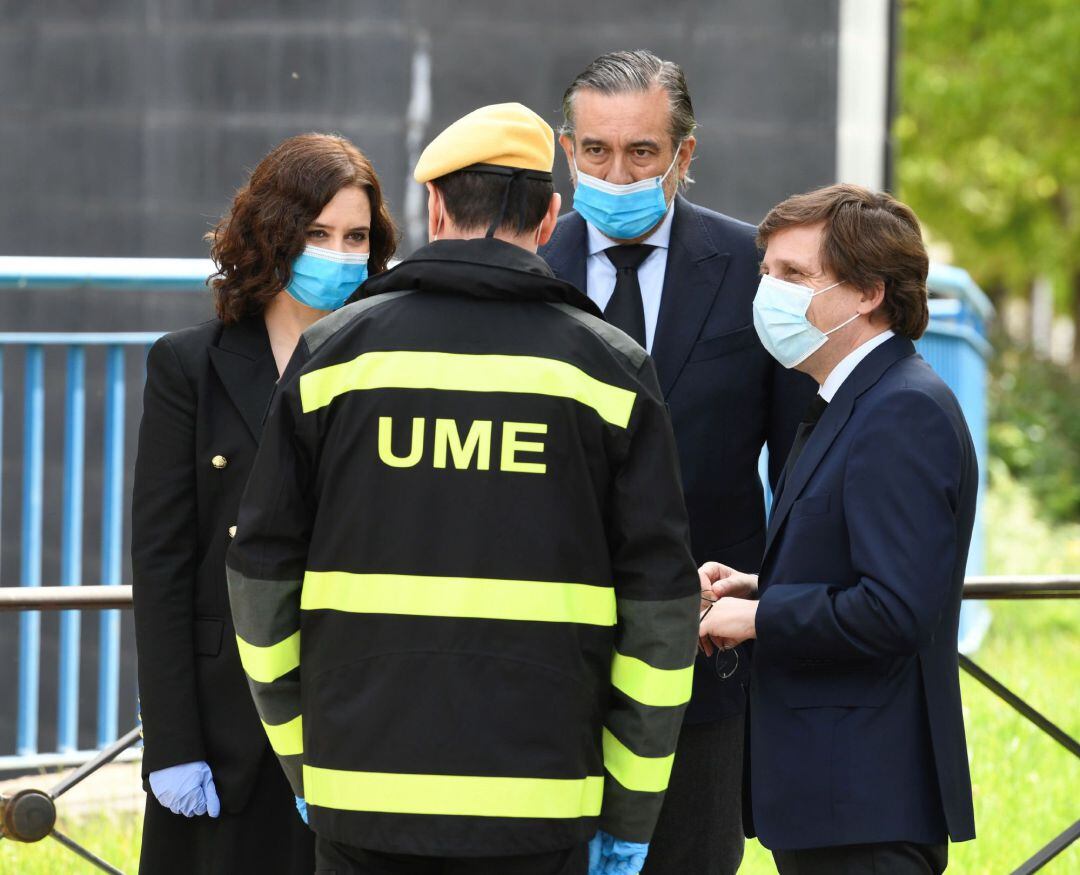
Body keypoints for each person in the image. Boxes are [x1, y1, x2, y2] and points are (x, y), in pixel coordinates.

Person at [225, 102, 700, 875]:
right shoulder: (607, 369)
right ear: (550, 218)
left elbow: (259, 576)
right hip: (542, 809)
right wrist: (630, 814)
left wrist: (303, 756)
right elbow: (661, 613)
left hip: (363, 797)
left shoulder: (335, 356)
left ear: (434, 208)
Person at [538, 49, 816, 874]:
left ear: (685, 155)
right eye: (595, 151)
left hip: (702, 661)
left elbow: (801, 465)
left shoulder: (755, 271)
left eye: (642, 152)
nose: (615, 172)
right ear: (566, 149)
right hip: (544, 661)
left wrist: (770, 604)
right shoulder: (525, 269)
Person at [132, 133, 398, 875]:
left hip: (353, 714)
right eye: (317, 233)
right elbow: (161, 565)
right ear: (272, 231)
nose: (339, 254)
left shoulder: (390, 368)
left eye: (356, 237)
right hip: (223, 722)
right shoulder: (189, 365)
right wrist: (174, 743)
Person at [698, 184, 977, 874]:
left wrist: (758, 617)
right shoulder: (854, 399)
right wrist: (759, 585)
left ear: (867, 293)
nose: (770, 292)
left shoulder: (899, 410)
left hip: (867, 801)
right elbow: (864, 564)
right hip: (835, 798)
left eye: (795, 275)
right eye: (767, 273)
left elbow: (894, 609)